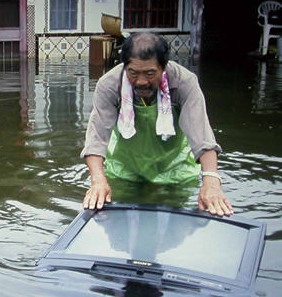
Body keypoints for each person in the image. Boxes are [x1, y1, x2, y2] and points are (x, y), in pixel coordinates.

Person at [81, 32, 233, 216]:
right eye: (133, 73)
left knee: (174, 222)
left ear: (164, 67)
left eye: (150, 73)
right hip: (125, 171)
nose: (141, 81)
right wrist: (98, 181)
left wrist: (211, 181)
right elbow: (96, 138)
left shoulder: (184, 83)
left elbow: (202, 135)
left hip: (175, 170)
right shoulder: (109, 85)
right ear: (124, 66)